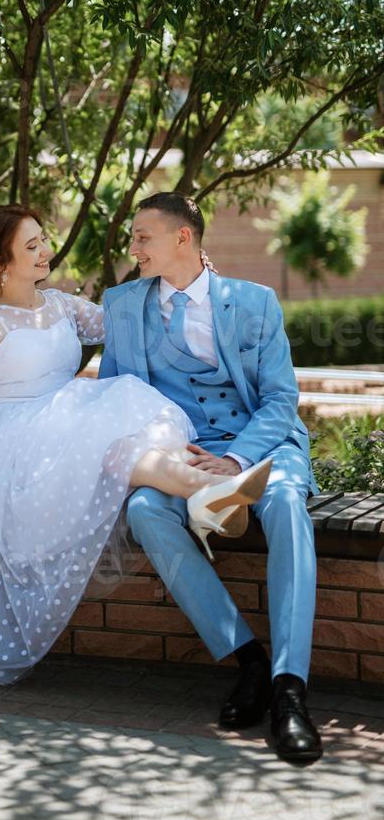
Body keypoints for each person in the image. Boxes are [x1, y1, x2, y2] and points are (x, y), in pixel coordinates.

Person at [0, 204, 271, 688]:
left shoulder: (59, 305)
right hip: (14, 440)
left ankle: (210, 491)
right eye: (31, 246)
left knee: (137, 426)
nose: (45, 252)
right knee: (118, 446)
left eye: (42, 241)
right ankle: (210, 490)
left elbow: (130, 320)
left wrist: (192, 278)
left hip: (69, 415)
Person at [99, 191, 322, 763]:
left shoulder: (255, 302)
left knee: (286, 508)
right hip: (183, 456)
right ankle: (246, 660)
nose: (133, 248)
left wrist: (236, 460)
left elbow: (280, 401)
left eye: (142, 237)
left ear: (183, 238)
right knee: (146, 510)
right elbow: (117, 400)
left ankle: (288, 688)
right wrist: (168, 450)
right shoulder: (123, 306)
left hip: (260, 445)